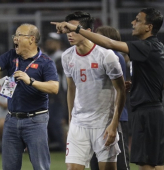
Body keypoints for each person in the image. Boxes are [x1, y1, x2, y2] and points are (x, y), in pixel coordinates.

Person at [51, 7, 164, 170]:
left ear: (149, 27)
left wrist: (77, 29)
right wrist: (139, 85)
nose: (133, 22)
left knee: (148, 164)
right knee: (153, 161)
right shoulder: (151, 48)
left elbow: (109, 43)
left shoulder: (144, 47)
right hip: (146, 110)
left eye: (138, 20)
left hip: (145, 112)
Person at [0, 23, 59, 170]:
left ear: (31, 39)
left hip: (35, 121)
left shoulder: (45, 62)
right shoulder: (11, 56)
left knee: (41, 167)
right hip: (12, 120)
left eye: (19, 35)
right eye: (15, 36)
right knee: (9, 167)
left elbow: (54, 87)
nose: (15, 39)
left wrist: (31, 81)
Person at [56, 11, 126, 170]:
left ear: (88, 31)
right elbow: (71, 89)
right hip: (79, 123)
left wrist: (114, 124)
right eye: (67, 30)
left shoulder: (106, 56)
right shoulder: (67, 56)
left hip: (104, 123)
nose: (69, 34)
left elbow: (121, 91)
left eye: (73, 29)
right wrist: (70, 119)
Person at [90, 26, 130, 170]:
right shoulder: (97, 56)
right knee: (97, 161)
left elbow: (114, 89)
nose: (94, 39)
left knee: (120, 163)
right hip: (97, 117)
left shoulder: (114, 56)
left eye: (98, 36)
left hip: (114, 117)